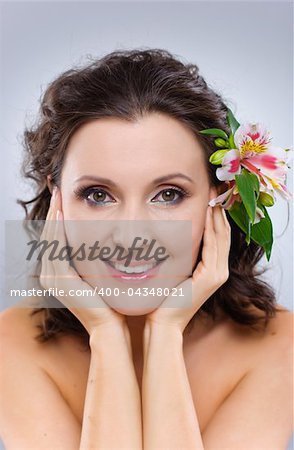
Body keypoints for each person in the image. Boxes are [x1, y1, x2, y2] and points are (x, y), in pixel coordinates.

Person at [0, 48, 293, 449]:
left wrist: (166, 332)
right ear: (57, 200)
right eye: (98, 195)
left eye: (169, 194)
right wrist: (106, 336)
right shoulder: (10, 341)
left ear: (220, 197)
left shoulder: (280, 342)